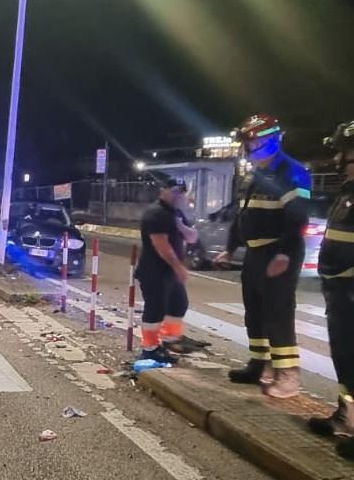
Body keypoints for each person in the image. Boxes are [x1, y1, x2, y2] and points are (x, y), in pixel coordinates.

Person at [216, 114, 312, 398]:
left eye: (252, 139)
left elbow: (297, 218)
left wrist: (284, 253)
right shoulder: (254, 175)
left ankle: (287, 375)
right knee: (254, 312)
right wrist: (230, 248)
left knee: (278, 313)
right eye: (247, 140)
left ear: (271, 139)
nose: (248, 145)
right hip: (256, 252)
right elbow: (241, 215)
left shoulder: (291, 172)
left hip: (279, 251)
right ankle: (258, 364)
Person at [307, 122, 354, 459]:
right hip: (340, 293)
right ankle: (346, 417)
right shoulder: (348, 192)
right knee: (345, 358)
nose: (338, 158)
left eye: (344, 151)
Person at [134, 179, 193, 364]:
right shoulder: (156, 213)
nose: (179, 195)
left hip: (170, 273)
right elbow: (162, 246)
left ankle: (169, 341)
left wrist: (181, 226)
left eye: (182, 191)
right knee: (155, 310)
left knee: (179, 304)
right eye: (175, 191)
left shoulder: (176, 214)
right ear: (163, 190)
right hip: (154, 271)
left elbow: (192, 237)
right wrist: (179, 267)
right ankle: (150, 348)